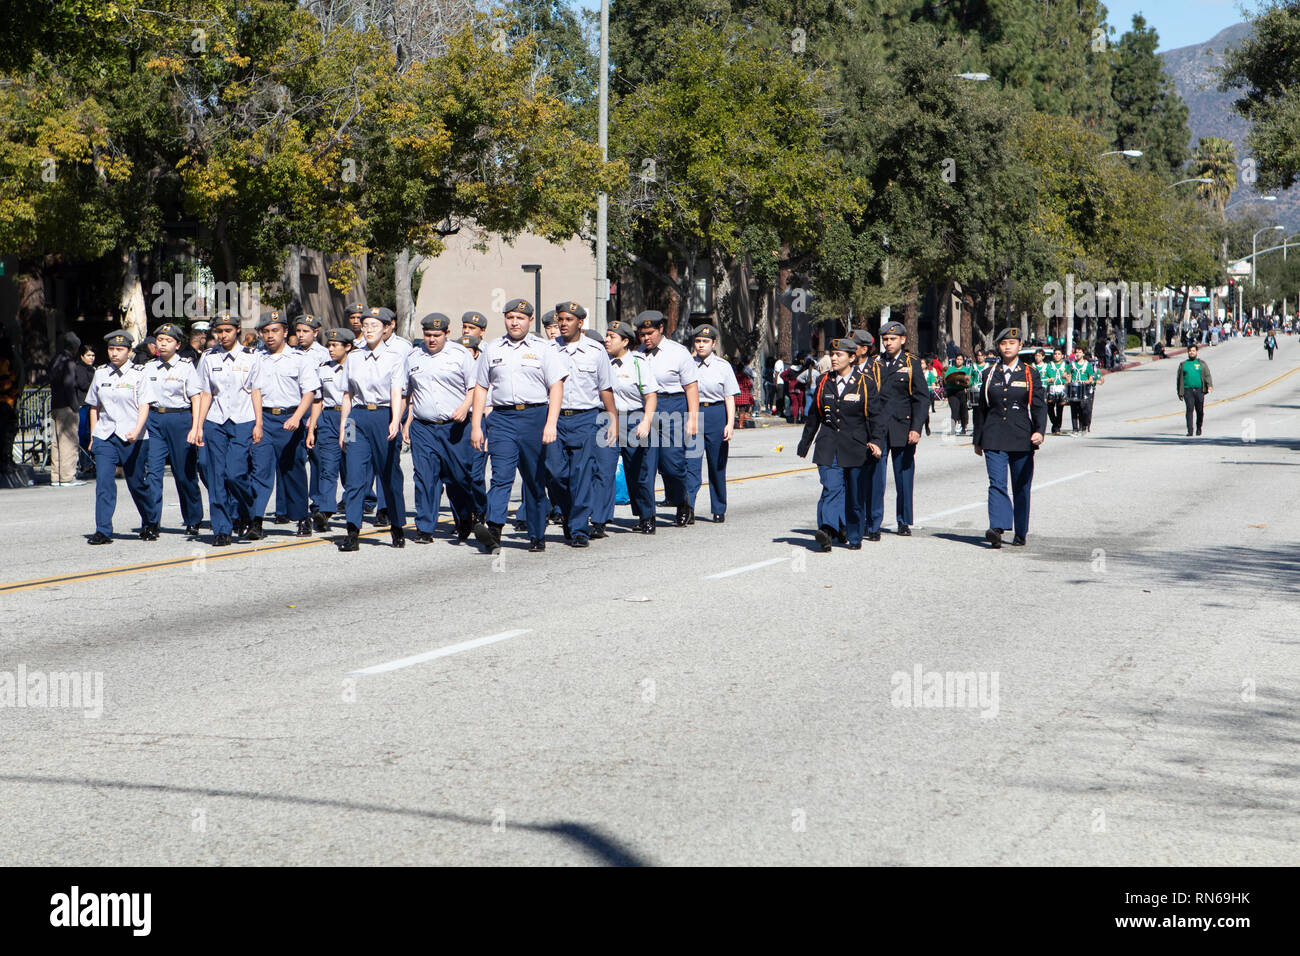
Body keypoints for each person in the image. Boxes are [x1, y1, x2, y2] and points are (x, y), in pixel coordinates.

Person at [470, 298, 566, 553]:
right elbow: (481, 387)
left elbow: (556, 386)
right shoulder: (492, 348)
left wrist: (551, 423)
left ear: (530, 321)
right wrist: (476, 425)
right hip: (501, 418)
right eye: (510, 317)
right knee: (501, 475)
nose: (514, 322)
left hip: (535, 416)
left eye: (520, 318)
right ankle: (494, 530)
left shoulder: (544, 348)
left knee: (534, 479)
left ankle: (536, 534)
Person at [796, 338, 883, 551]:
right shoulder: (824, 381)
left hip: (855, 445)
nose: (833, 359)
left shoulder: (865, 382)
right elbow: (814, 415)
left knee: (853, 494)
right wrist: (805, 443)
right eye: (832, 355)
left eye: (839, 355)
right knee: (831, 487)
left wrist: (877, 441)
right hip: (828, 443)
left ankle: (852, 533)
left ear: (852, 358)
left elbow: (875, 417)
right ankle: (826, 530)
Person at [402, 313, 478, 544]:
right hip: (423, 427)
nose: (431, 339)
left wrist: (465, 407)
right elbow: (408, 393)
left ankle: (465, 517)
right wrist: (406, 421)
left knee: (457, 477)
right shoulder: (414, 356)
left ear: (447, 333)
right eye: (427, 335)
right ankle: (425, 527)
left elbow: (475, 387)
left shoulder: (461, 355)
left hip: (454, 427)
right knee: (425, 477)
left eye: (436, 335)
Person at [545, 300, 615, 547]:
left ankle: (578, 530)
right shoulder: (548, 349)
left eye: (569, 320)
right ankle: (566, 512)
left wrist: (613, 419)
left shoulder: (596, 351)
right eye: (560, 319)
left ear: (581, 323)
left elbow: (605, 388)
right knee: (555, 473)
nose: (563, 324)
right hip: (555, 418)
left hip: (586, 418)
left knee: (581, 475)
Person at [337, 310, 407, 551]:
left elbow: (397, 391)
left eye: (374, 325)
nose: (368, 330)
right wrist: (343, 430)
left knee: (389, 475)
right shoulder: (354, 357)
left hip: (383, 415)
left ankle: (397, 526)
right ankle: (353, 532)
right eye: (365, 325)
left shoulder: (395, 357)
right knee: (355, 476)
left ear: (386, 328)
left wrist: (395, 419)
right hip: (357, 417)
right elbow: (347, 395)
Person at [192, 313, 264, 546]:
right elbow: (205, 393)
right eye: (219, 331)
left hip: (243, 420)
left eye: (228, 331)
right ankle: (222, 529)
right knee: (216, 477)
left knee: (235, 473)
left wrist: (259, 423)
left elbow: (256, 391)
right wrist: (199, 426)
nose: (222, 336)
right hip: (216, 421)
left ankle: (248, 510)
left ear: (238, 330)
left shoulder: (252, 357)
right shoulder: (208, 357)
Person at [974, 326, 1046, 548]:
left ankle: (1020, 531)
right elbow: (981, 409)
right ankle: (997, 528)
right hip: (994, 436)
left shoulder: (1029, 373)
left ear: (1020, 346)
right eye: (1003, 344)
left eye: (1012, 344)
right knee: (996, 483)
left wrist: (1039, 431)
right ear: (998, 347)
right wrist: (978, 439)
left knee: (1021, 486)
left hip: (1021, 437)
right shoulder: (989, 374)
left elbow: (1038, 406)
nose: (1007, 347)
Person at [249, 310, 319, 538]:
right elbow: (255, 391)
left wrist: (298, 417)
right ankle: (256, 520)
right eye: (265, 331)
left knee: (293, 470)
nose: (270, 336)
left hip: (290, 419)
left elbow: (309, 392)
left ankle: (301, 517)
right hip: (265, 419)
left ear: (285, 332)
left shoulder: (300, 359)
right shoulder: (256, 358)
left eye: (275, 331)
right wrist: (258, 422)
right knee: (260, 471)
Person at [84, 331, 152, 544]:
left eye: (120, 349)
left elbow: (144, 405)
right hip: (106, 434)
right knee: (104, 482)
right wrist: (94, 435)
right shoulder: (101, 373)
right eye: (111, 349)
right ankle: (103, 530)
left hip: (133, 436)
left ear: (129, 351)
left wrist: (137, 430)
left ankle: (150, 522)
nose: (114, 353)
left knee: (136, 482)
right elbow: (94, 407)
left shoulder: (139, 374)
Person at [636, 310, 700, 527]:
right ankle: (647, 516)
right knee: (645, 466)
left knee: (672, 465)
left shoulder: (678, 352)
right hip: (644, 409)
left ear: (661, 329)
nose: (646, 338)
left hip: (671, 406)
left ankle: (682, 501)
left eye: (650, 333)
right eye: (642, 334)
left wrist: (692, 419)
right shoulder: (636, 353)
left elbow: (691, 387)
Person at [141, 323, 203, 537]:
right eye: (160, 340)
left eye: (168, 341)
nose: (163, 344)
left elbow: (196, 397)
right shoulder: (148, 367)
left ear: (177, 345)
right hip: (156, 419)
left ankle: (193, 519)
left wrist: (196, 427)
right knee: (153, 474)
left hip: (180, 419)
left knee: (184, 474)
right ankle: (151, 522)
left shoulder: (186, 367)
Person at [867, 321, 928, 540]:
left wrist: (916, 428)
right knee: (876, 478)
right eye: (885, 339)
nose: (888, 342)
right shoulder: (875, 363)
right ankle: (873, 524)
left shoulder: (912, 363)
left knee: (904, 478)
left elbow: (921, 398)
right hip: (878, 430)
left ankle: (903, 520)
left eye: (893, 339)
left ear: (902, 340)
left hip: (904, 427)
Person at [597, 321, 658, 533]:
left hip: (634, 419)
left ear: (625, 341)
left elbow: (650, 396)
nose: (607, 340)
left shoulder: (638, 363)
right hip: (607, 420)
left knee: (638, 472)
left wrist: (646, 421)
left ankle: (646, 516)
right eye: (606, 335)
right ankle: (599, 520)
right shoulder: (602, 362)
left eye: (612, 337)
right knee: (604, 471)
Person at [685, 323, 738, 523]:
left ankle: (718, 508)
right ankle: (688, 508)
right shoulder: (688, 364)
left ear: (713, 344)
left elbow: (729, 397)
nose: (701, 345)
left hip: (716, 414)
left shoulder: (723, 367)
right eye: (698, 341)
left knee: (716, 466)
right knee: (691, 465)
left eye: (705, 342)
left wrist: (730, 424)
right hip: (694, 414)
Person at [306, 327, 353, 531]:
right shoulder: (324, 368)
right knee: (328, 465)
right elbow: (318, 400)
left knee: (350, 464)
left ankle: (353, 507)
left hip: (351, 419)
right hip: (328, 418)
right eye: (329, 345)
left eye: (335, 345)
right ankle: (324, 510)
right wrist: (311, 427)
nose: (331, 349)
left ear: (348, 347)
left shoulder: (357, 366)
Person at [459, 330, 489, 525]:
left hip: (480, 422)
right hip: (458, 424)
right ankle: (464, 517)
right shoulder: (452, 368)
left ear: (476, 353)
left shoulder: (484, 370)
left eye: (469, 350)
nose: (466, 355)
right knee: (460, 473)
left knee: (476, 474)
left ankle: (480, 511)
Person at [48, 332, 86, 486]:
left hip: (56, 404)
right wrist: (75, 406)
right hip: (67, 406)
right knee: (69, 442)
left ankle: (56, 476)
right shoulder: (69, 362)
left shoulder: (55, 360)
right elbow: (69, 385)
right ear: (75, 348)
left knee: (56, 443)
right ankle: (68, 477)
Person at [1175, 344, 1213, 437]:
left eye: (1193, 351)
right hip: (1188, 390)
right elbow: (1179, 379)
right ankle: (1190, 430)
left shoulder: (1201, 364)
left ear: (1196, 352)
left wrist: (1210, 386)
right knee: (1189, 409)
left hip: (1199, 390)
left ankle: (1199, 427)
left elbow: (1207, 375)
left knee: (1200, 410)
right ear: (1187, 352)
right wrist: (1179, 392)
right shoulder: (1183, 364)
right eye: (1190, 351)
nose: (1191, 352)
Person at [942, 353, 972, 435]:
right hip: (952, 392)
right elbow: (946, 379)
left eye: (961, 359)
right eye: (957, 359)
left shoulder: (966, 370)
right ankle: (953, 428)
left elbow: (969, 381)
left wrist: (966, 383)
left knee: (963, 410)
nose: (959, 361)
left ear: (963, 361)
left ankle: (964, 428)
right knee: (954, 410)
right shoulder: (951, 369)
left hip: (962, 392)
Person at [1041, 347, 1069, 435]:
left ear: (1062, 355)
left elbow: (1069, 375)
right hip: (1052, 387)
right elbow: (1047, 375)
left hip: (1061, 387)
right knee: (1050, 407)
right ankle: (1055, 423)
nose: (1057, 356)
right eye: (1055, 354)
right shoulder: (1049, 365)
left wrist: (1067, 380)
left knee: (1060, 408)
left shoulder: (1066, 365)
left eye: (1059, 354)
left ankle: (1057, 427)